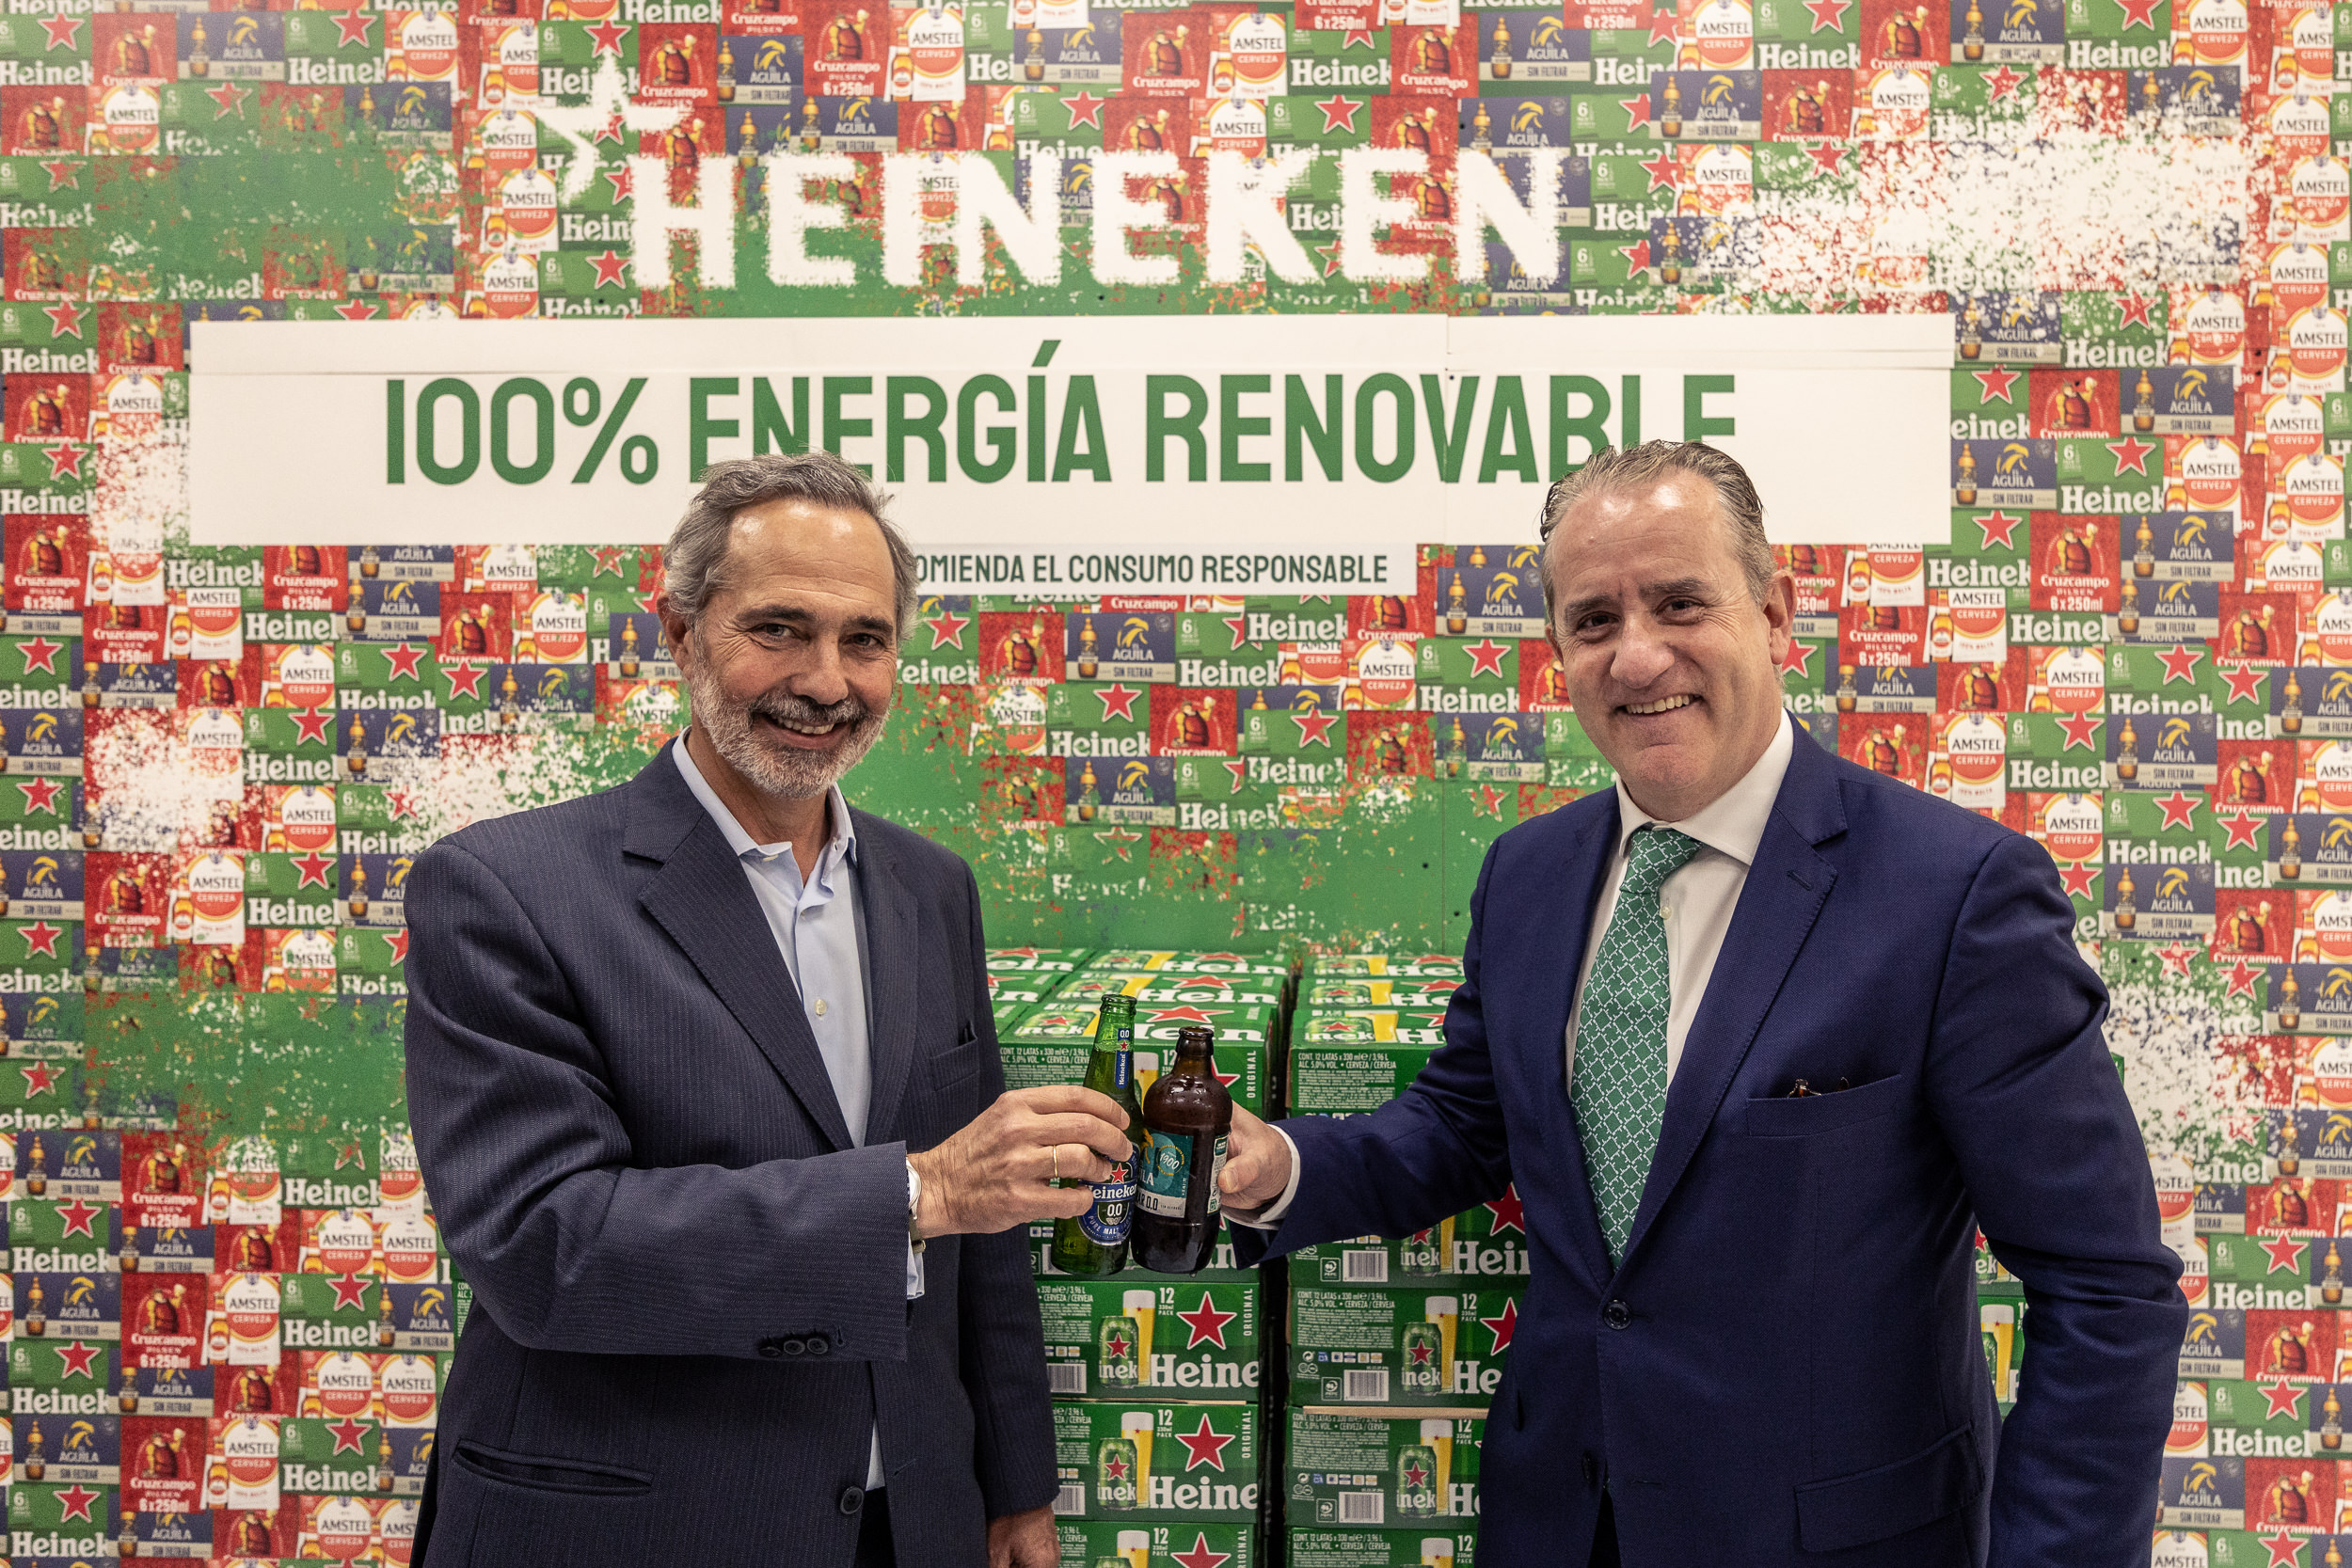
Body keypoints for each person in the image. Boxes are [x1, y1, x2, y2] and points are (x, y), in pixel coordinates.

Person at [1217, 441, 2185, 1568]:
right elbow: (1466, 1123)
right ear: (1558, 654)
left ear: (1775, 614)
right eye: (1593, 621)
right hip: (1556, 1523)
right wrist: (1282, 1166)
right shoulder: (1526, 875)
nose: (1638, 655)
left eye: (1679, 602)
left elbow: (2106, 1291)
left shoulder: (1956, 894)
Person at [403, 452, 1134, 1568]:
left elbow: (984, 1236)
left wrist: (1015, 1485)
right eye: (780, 629)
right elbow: (545, 1243)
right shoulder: (505, 888)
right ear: (681, 632)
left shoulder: (931, 887)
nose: (827, 681)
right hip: (639, 1530)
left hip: (911, 1523)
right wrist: (915, 1192)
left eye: (865, 639)